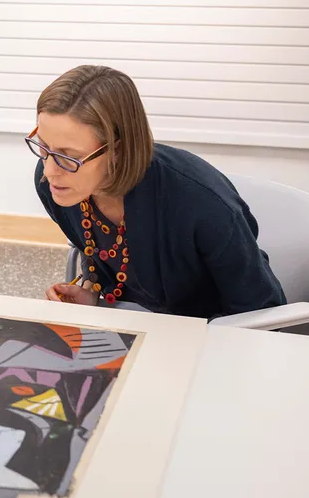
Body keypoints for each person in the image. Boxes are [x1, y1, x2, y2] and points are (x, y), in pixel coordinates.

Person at [29, 64, 286, 320]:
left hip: (214, 331)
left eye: (69, 156)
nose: (50, 170)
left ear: (118, 150)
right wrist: (94, 293)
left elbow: (262, 313)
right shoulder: (55, 185)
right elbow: (107, 258)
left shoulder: (203, 205)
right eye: (43, 146)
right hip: (141, 325)